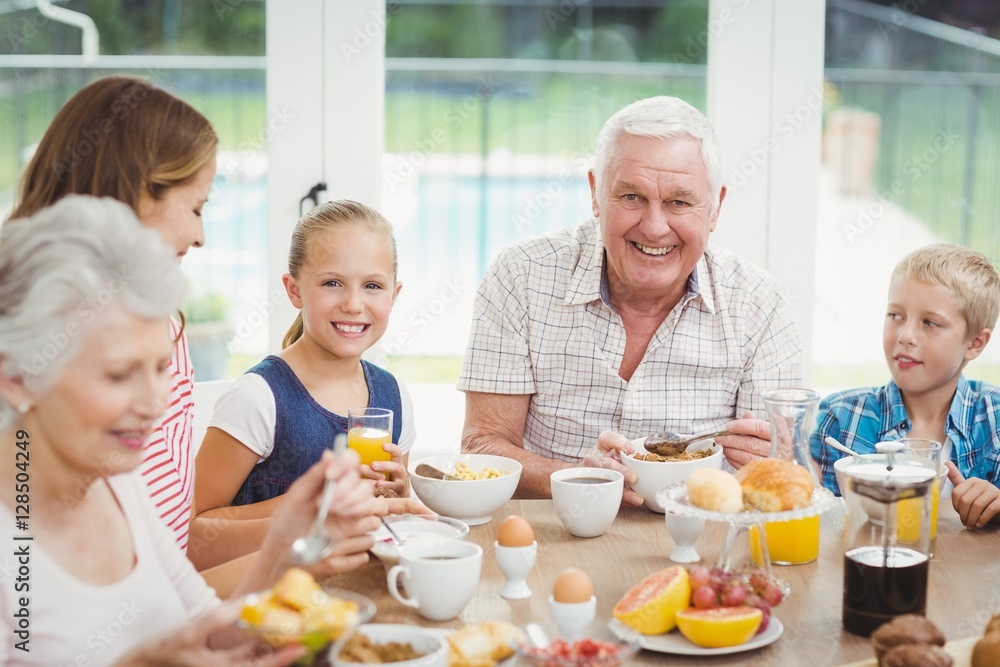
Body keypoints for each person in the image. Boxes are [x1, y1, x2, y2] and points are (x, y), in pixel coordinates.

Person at [0, 196, 381, 666]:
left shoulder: (118, 484)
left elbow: (202, 629)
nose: (154, 403)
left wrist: (288, 548)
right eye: (119, 375)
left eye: (160, 367)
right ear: (16, 378)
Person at [457, 96, 802, 505]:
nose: (655, 227)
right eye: (632, 197)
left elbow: (784, 473)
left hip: (700, 539)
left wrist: (773, 458)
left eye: (679, 201)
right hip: (553, 535)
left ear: (715, 208)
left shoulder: (760, 303)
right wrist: (576, 478)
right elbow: (482, 446)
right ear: (595, 193)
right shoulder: (522, 274)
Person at [9, 75, 217, 551]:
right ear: (139, 197)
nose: (202, 235)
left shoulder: (164, 323)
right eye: (196, 207)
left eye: (159, 369)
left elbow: (170, 555)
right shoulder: (38, 349)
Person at [191, 199, 418, 570]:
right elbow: (188, 539)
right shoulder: (258, 398)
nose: (353, 303)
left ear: (394, 295)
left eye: (373, 286)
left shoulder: (395, 398)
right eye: (332, 283)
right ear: (294, 290)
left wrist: (398, 497)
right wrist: (310, 511)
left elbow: (383, 521)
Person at [810, 243, 1000, 530]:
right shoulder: (841, 417)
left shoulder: (995, 418)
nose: (906, 335)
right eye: (895, 315)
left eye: (930, 322)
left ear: (975, 344)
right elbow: (818, 520)